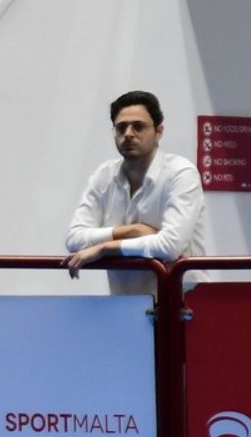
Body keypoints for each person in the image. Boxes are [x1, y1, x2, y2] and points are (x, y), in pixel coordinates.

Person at [63, 90, 209, 294]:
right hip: (127, 303)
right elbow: (74, 239)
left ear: (159, 131)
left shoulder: (181, 173)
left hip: (183, 302)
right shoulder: (104, 175)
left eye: (138, 126)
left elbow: (170, 246)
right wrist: (132, 231)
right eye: (121, 127)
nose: (128, 134)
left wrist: (104, 248)